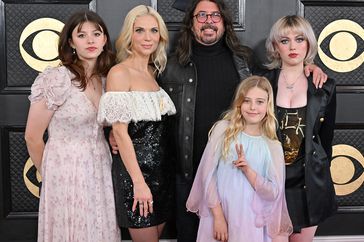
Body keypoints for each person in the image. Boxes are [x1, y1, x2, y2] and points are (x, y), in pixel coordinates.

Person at [157, 1, 328, 241]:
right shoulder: (171, 66)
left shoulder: (244, 60)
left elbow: (272, 83)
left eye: (215, 15)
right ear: (191, 22)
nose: (209, 21)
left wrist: (309, 66)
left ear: (225, 22)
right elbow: (153, 109)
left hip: (239, 175)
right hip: (190, 171)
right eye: (202, 15)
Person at [24, 11, 121, 242]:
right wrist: (52, 174)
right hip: (64, 170)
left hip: (99, 167)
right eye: (82, 35)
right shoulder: (57, 78)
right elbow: (32, 137)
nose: (90, 41)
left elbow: (105, 125)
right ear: (71, 42)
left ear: (105, 39)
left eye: (96, 34)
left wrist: (112, 136)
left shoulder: (108, 80)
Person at [97, 5, 176, 242]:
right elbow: (120, 133)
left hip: (162, 175)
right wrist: (139, 183)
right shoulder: (120, 73)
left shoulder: (155, 73)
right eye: (140, 30)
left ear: (160, 36)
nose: (147, 37)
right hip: (135, 176)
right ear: (130, 35)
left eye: (153, 30)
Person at [186, 75, 293, 242]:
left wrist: (248, 171)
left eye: (259, 102)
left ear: (268, 105)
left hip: (250, 223)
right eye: (247, 101)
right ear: (239, 103)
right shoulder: (223, 130)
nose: (252, 107)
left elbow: (273, 193)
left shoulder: (272, 146)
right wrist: (218, 217)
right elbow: (207, 176)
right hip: (219, 217)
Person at [263, 15, 337, 242]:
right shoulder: (262, 81)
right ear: (276, 46)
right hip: (271, 181)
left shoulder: (325, 86)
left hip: (308, 183)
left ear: (309, 44)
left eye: (299, 39)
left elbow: (326, 139)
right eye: (284, 41)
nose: (293, 46)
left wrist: (321, 173)